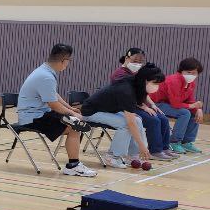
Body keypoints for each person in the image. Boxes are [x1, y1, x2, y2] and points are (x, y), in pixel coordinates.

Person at [15, 44, 98, 177]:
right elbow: (54, 105)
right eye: (69, 60)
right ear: (64, 60)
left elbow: (53, 95)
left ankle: (73, 163)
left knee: (76, 124)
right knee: (76, 126)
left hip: (41, 113)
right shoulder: (46, 76)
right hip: (33, 118)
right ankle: (73, 166)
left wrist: (70, 108)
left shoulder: (45, 70)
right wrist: (73, 113)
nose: (68, 63)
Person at [82, 63, 164, 169]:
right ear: (145, 80)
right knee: (126, 124)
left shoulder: (136, 85)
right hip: (91, 112)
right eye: (155, 83)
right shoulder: (126, 89)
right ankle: (113, 156)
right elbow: (130, 123)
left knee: (137, 120)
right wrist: (142, 146)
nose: (157, 86)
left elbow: (133, 118)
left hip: (107, 111)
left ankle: (132, 155)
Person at [110, 48, 175, 161]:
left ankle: (164, 148)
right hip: (124, 106)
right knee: (153, 120)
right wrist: (144, 107)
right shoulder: (119, 74)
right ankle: (155, 151)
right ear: (127, 58)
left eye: (140, 62)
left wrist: (152, 105)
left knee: (163, 118)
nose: (138, 64)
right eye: (135, 61)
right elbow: (127, 95)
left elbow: (143, 92)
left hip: (136, 104)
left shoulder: (137, 73)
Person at [153, 58, 204, 154]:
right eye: (189, 72)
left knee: (193, 112)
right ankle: (174, 142)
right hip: (156, 104)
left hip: (168, 104)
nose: (191, 75)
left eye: (194, 73)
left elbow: (190, 100)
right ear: (181, 71)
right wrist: (193, 105)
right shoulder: (174, 81)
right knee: (184, 113)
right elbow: (175, 104)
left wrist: (198, 109)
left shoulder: (191, 83)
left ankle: (186, 142)